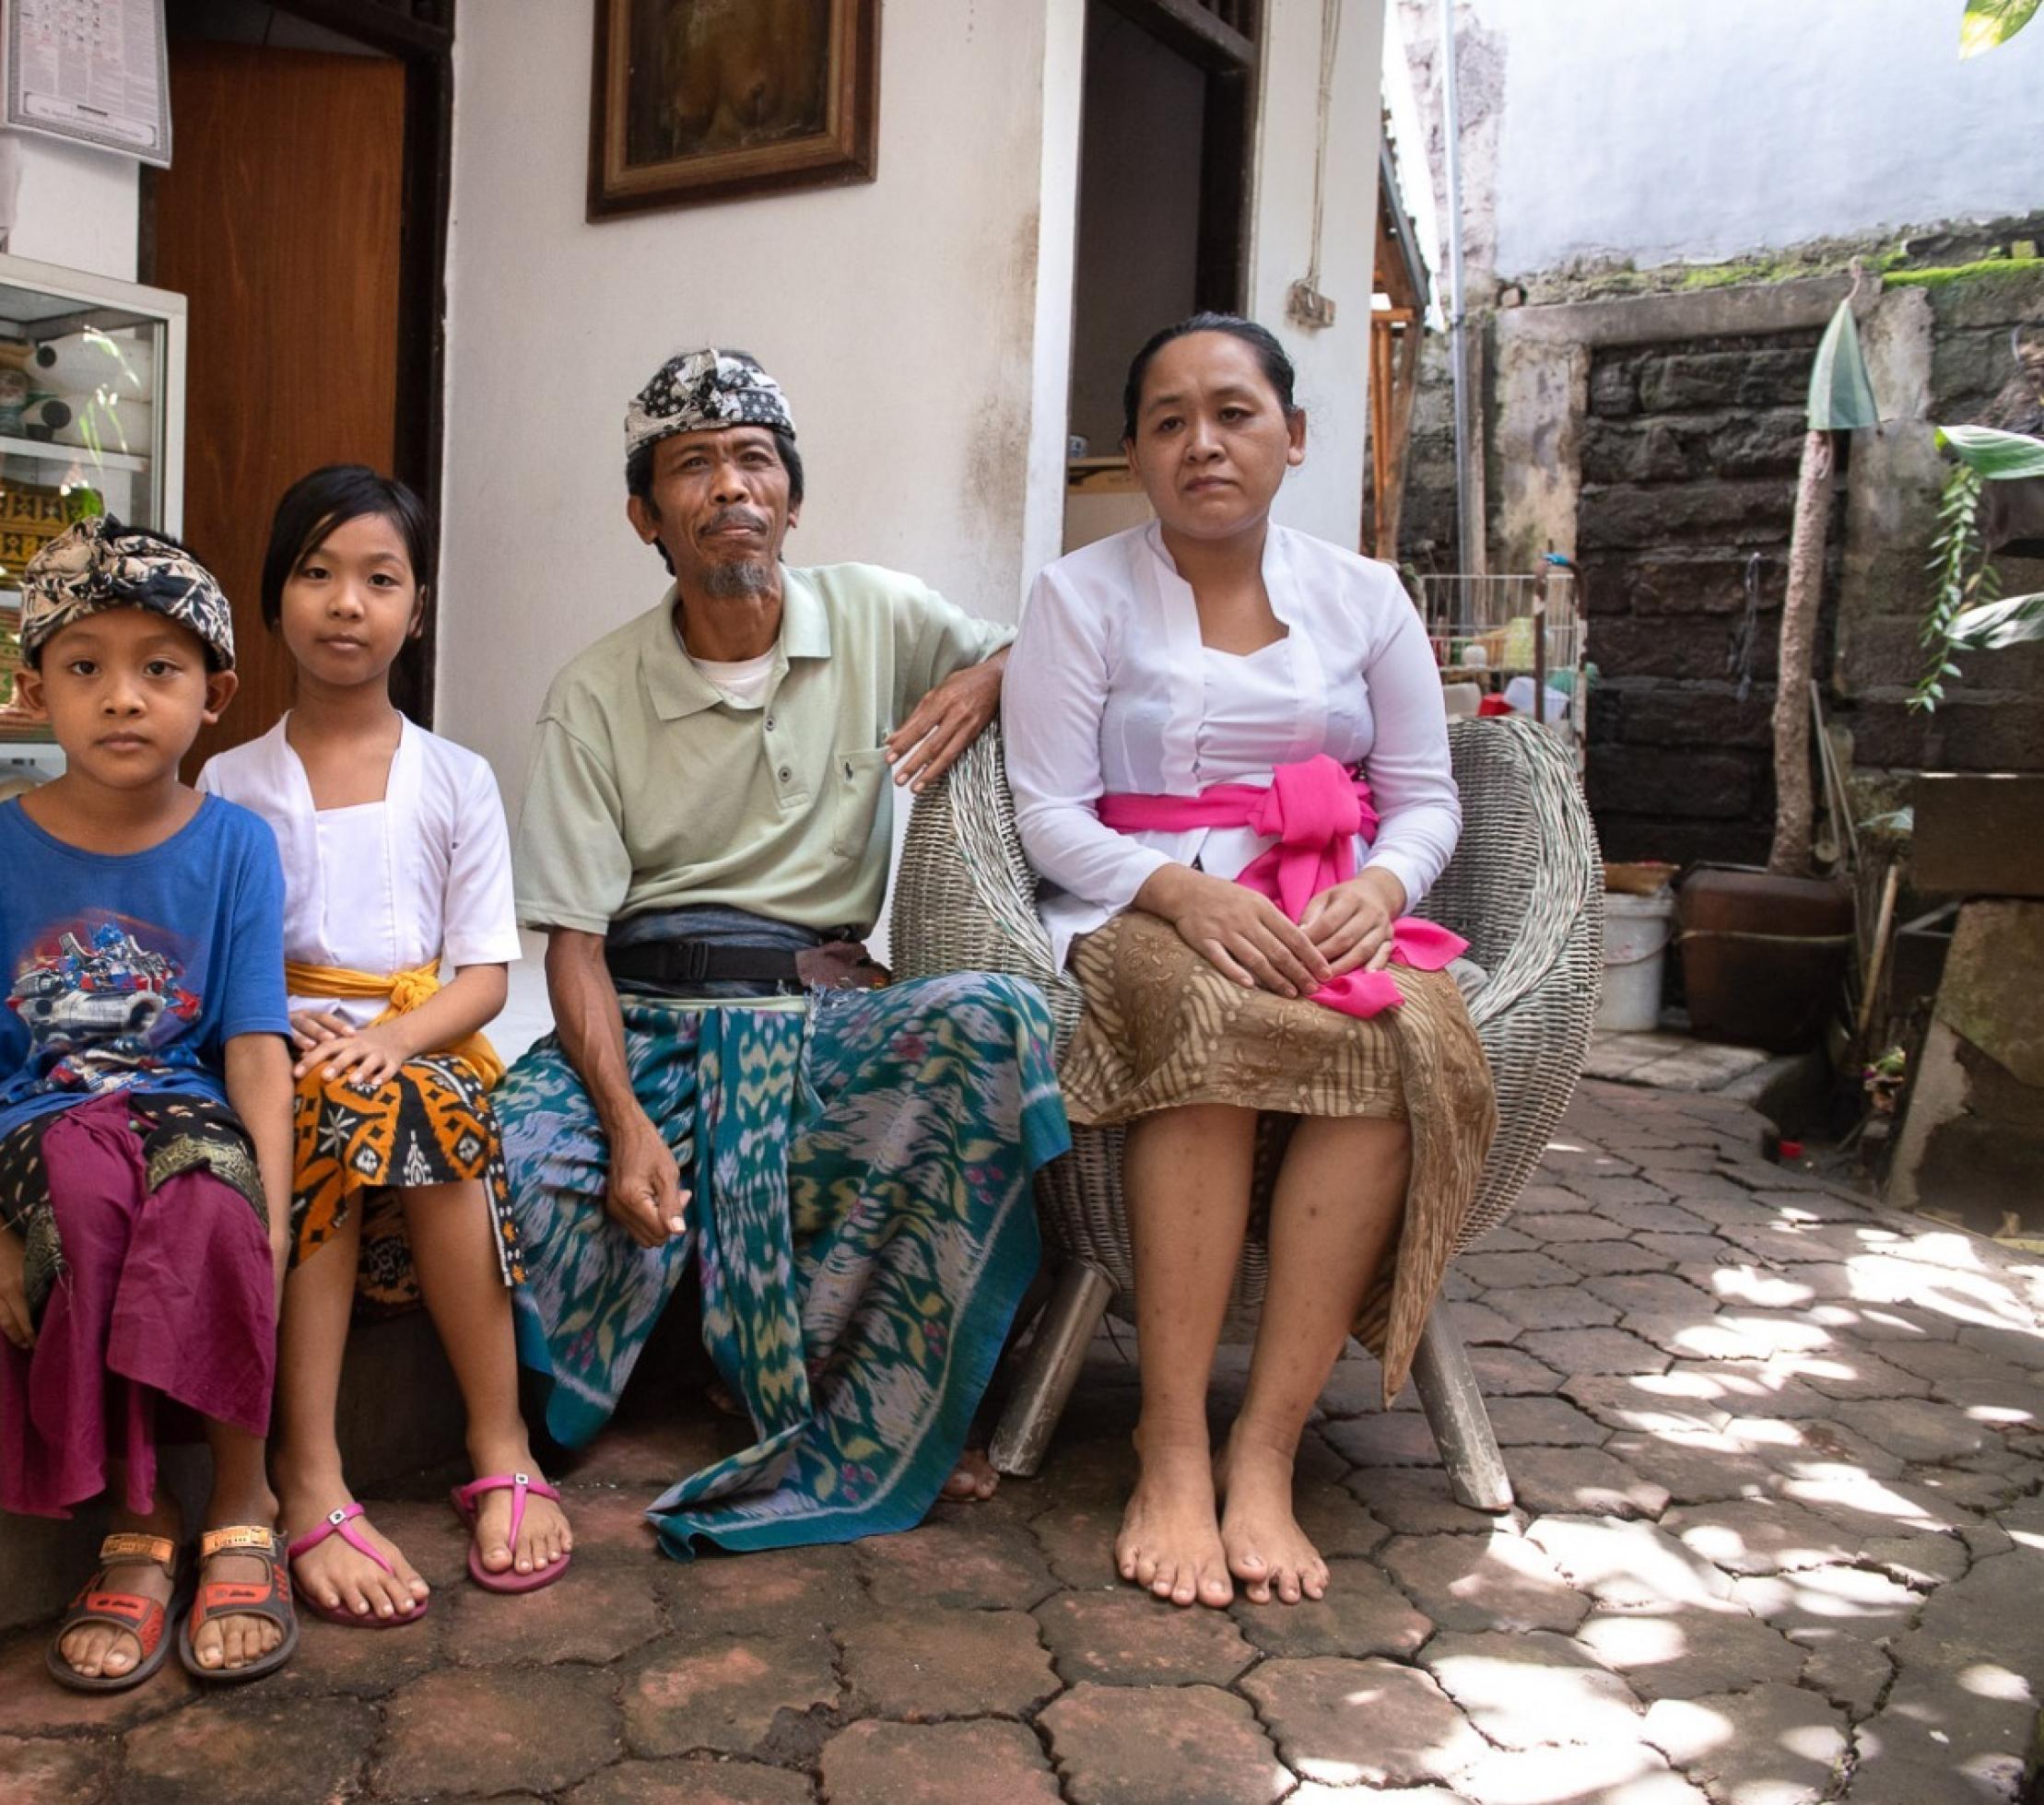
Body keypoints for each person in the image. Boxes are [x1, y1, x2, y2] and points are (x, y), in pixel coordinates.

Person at [499, 347, 1071, 1558]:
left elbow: (1064, 654)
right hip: (646, 1020)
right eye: (691, 466)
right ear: (645, 515)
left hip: (818, 1015)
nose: (729, 486)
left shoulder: (876, 612)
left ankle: (884, 1395)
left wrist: (987, 673)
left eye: (753, 459)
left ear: (792, 496)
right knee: (509, 1139)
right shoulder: (592, 691)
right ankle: (660, 1361)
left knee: (990, 1021)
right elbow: (574, 947)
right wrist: (625, 1118)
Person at [1003, 314, 1497, 1611]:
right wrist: (1176, 892)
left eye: (1231, 412)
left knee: (1402, 1042)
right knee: (1208, 1033)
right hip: (1139, 901)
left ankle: (1262, 1449)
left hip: (1328, 899)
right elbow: (1044, 805)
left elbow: (1424, 795)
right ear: (1131, 454)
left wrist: (1382, 885)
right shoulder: (1077, 595)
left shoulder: (1365, 595)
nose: (1201, 443)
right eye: (1167, 421)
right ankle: (1167, 1441)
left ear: (1291, 434)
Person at [0, 518, 300, 1690]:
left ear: (213, 695)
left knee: (210, 1204)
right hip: (37, 1120)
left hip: (185, 1104)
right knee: (83, 1192)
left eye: (158, 668)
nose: (123, 699)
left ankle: (242, 1493)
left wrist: (266, 1197)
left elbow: (256, 1044)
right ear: (33, 692)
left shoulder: (235, 847)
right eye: (85, 668)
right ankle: (138, 1519)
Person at [199, 464, 571, 1625]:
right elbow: (219, 966)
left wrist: (394, 1039)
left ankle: (499, 1438)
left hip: (425, 1046)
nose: (346, 604)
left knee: (404, 1104)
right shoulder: (227, 783)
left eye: (378, 578)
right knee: (327, 1110)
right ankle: (307, 1470)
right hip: (286, 1054)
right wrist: (272, 1016)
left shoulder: (457, 778)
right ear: (274, 600)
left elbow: (484, 979)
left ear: (415, 607)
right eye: (316, 575)